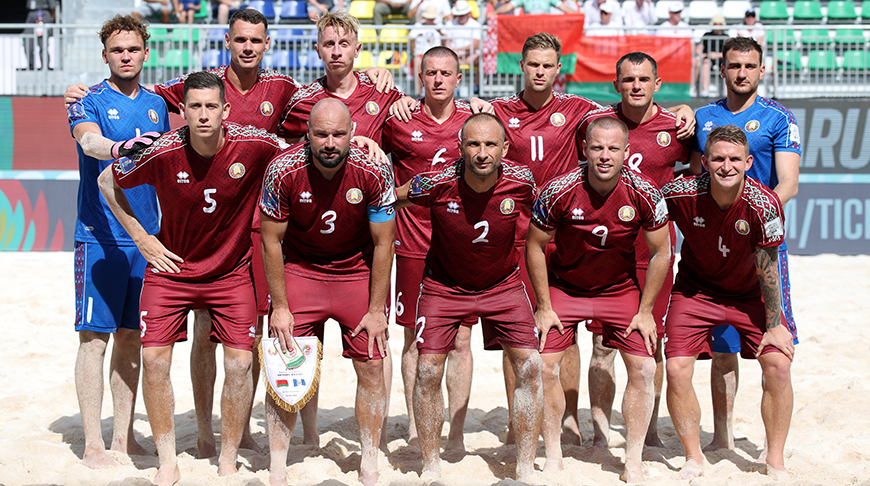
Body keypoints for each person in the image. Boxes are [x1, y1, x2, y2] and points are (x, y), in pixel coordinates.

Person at [98, 71, 286, 486]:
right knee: (153, 359)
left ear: (225, 110)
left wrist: (363, 145)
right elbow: (106, 180)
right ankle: (168, 460)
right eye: (195, 107)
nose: (203, 115)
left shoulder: (255, 145)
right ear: (182, 111)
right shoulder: (163, 149)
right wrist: (143, 238)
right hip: (172, 271)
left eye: (211, 106)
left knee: (240, 362)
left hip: (230, 272)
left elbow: (297, 156)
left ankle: (227, 458)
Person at [278, 11, 403, 448]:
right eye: (328, 44)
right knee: (305, 347)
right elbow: (278, 147)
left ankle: (379, 437)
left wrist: (479, 105)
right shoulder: (300, 100)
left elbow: (417, 122)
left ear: (357, 49)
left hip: (366, 242)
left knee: (375, 342)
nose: (336, 51)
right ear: (317, 49)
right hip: (311, 236)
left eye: (343, 44)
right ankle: (309, 433)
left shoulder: (383, 94)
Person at [397, 112, 543, 483]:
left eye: (490, 144)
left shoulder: (522, 181)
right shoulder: (434, 182)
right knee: (428, 370)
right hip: (444, 287)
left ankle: (525, 466)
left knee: (530, 366)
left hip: (503, 285)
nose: (482, 152)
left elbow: (549, 216)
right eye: (474, 144)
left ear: (505, 149)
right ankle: (431, 466)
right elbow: (388, 200)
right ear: (460, 147)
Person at [260, 98, 396, 486]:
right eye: (321, 134)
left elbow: (384, 244)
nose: (330, 142)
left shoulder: (373, 169)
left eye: (338, 133)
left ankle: (369, 459)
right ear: (308, 134)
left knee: (372, 364)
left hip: (354, 272)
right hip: (302, 271)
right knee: (285, 365)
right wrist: (280, 307)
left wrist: (376, 308)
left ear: (353, 134)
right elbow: (271, 242)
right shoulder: (283, 169)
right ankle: (278, 465)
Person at [527, 117, 670, 480]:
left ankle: (633, 460)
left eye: (612, 149)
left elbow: (662, 252)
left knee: (645, 368)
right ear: (584, 149)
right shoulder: (559, 189)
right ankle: (555, 453)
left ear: (626, 151)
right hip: (567, 289)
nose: (604, 156)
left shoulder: (645, 191)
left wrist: (646, 310)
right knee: (541, 367)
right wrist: (543, 307)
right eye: (596, 148)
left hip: (619, 291)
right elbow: (535, 245)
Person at [662, 124, 794, 480]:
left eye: (735, 159)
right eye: (717, 158)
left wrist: (774, 324)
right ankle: (693, 458)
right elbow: (648, 224)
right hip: (695, 290)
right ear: (703, 161)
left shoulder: (765, 204)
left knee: (779, 364)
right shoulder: (680, 193)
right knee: (676, 368)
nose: (726, 166)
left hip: (749, 294)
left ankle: (776, 461)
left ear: (749, 162)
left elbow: (768, 266)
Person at [67, 14, 170, 470]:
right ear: (105, 54)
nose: (125, 56)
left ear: (146, 53)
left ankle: (123, 439)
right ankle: (92, 443)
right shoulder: (86, 100)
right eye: (117, 50)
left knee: (131, 339)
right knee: (94, 340)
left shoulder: (158, 104)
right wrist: (118, 148)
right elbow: (87, 142)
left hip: (146, 239)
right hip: (99, 236)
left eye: (133, 49)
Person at [489, 32, 601, 449]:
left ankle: (569, 417)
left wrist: (680, 108)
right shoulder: (498, 110)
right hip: (514, 235)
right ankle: (519, 419)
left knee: (564, 327)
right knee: (514, 331)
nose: (539, 71)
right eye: (532, 64)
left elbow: (631, 114)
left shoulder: (577, 110)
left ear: (559, 69)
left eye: (547, 65)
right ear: (521, 66)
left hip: (564, 236)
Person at [690, 36, 800, 453]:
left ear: (761, 70)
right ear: (722, 69)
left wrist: (753, 214)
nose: (741, 73)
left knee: (775, 349)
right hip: (711, 250)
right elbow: (695, 174)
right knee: (721, 351)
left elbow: (787, 183)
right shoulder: (703, 116)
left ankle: (774, 457)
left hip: (761, 246)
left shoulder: (778, 117)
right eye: (734, 65)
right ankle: (722, 438)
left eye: (749, 66)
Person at [576, 51, 691, 450]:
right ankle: (601, 431)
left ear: (657, 84)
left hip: (655, 256)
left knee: (650, 342)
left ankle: (651, 428)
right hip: (605, 255)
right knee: (602, 345)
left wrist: (685, 109)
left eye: (644, 79)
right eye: (628, 80)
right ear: (616, 85)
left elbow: (693, 180)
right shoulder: (597, 124)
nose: (636, 86)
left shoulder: (677, 128)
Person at [382, 46, 476, 451]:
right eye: (430, 72)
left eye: (446, 73)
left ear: (458, 77)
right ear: (420, 77)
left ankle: (455, 433)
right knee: (413, 340)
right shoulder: (400, 120)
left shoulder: (474, 121)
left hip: (461, 246)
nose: (438, 79)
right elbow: (361, 138)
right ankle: (418, 427)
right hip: (412, 246)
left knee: (461, 341)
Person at [409, 6, 445, 96]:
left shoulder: (439, 26)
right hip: (421, 54)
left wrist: (441, 33)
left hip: (436, 55)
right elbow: (411, 39)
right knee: (417, 61)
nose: (431, 20)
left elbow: (446, 40)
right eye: (429, 18)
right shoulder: (418, 26)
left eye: (432, 18)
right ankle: (417, 91)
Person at [697, 15, 728, 97]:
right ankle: (705, 90)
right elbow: (698, 48)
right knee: (705, 64)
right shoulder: (707, 35)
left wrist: (717, 55)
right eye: (715, 24)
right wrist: (703, 54)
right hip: (708, 58)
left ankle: (726, 91)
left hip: (722, 59)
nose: (717, 26)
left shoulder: (726, 37)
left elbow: (729, 52)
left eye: (719, 24)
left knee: (728, 66)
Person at [445, 1, 482, 68]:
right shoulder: (449, 24)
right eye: (459, 15)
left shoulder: (476, 25)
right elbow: (447, 43)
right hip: (453, 56)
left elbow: (475, 45)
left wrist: (457, 49)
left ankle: (479, 79)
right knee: (448, 60)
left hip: (470, 56)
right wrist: (454, 52)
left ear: (468, 13)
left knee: (481, 60)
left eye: (462, 14)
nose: (460, 17)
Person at [23, 0, 57, 70]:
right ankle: (30, 66)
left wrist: (52, 18)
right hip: (31, 14)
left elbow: (53, 7)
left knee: (43, 44)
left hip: (43, 14)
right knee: (28, 42)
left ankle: (45, 67)